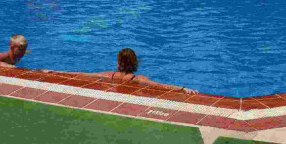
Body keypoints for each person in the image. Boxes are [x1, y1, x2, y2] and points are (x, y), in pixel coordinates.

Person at [51, 48, 198, 94]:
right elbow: (159, 86)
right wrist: (182, 88)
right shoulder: (138, 79)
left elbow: (82, 75)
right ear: (134, 63)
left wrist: (53, 72)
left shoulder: (110, 75)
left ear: (118, 63)